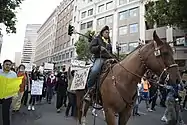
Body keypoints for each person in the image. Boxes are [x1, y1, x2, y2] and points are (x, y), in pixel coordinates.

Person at [84, 25, 113, 101]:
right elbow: (91, 49)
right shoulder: (97, 39)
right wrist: (99, 48)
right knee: (95, 70)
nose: (108, 34)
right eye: (106, 32)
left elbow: (111, 52)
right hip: (100, 58)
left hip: (109, 59)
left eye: (108, 32)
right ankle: (89, 90)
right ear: (102, 33)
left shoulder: (109, 42)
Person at [0, 60, 17, 125]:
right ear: (3, 65)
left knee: (6, 113)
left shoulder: (13, 74)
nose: (8, 66)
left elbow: (15, 84)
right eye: (6, 64)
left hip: (8, 96)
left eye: (9, 65)